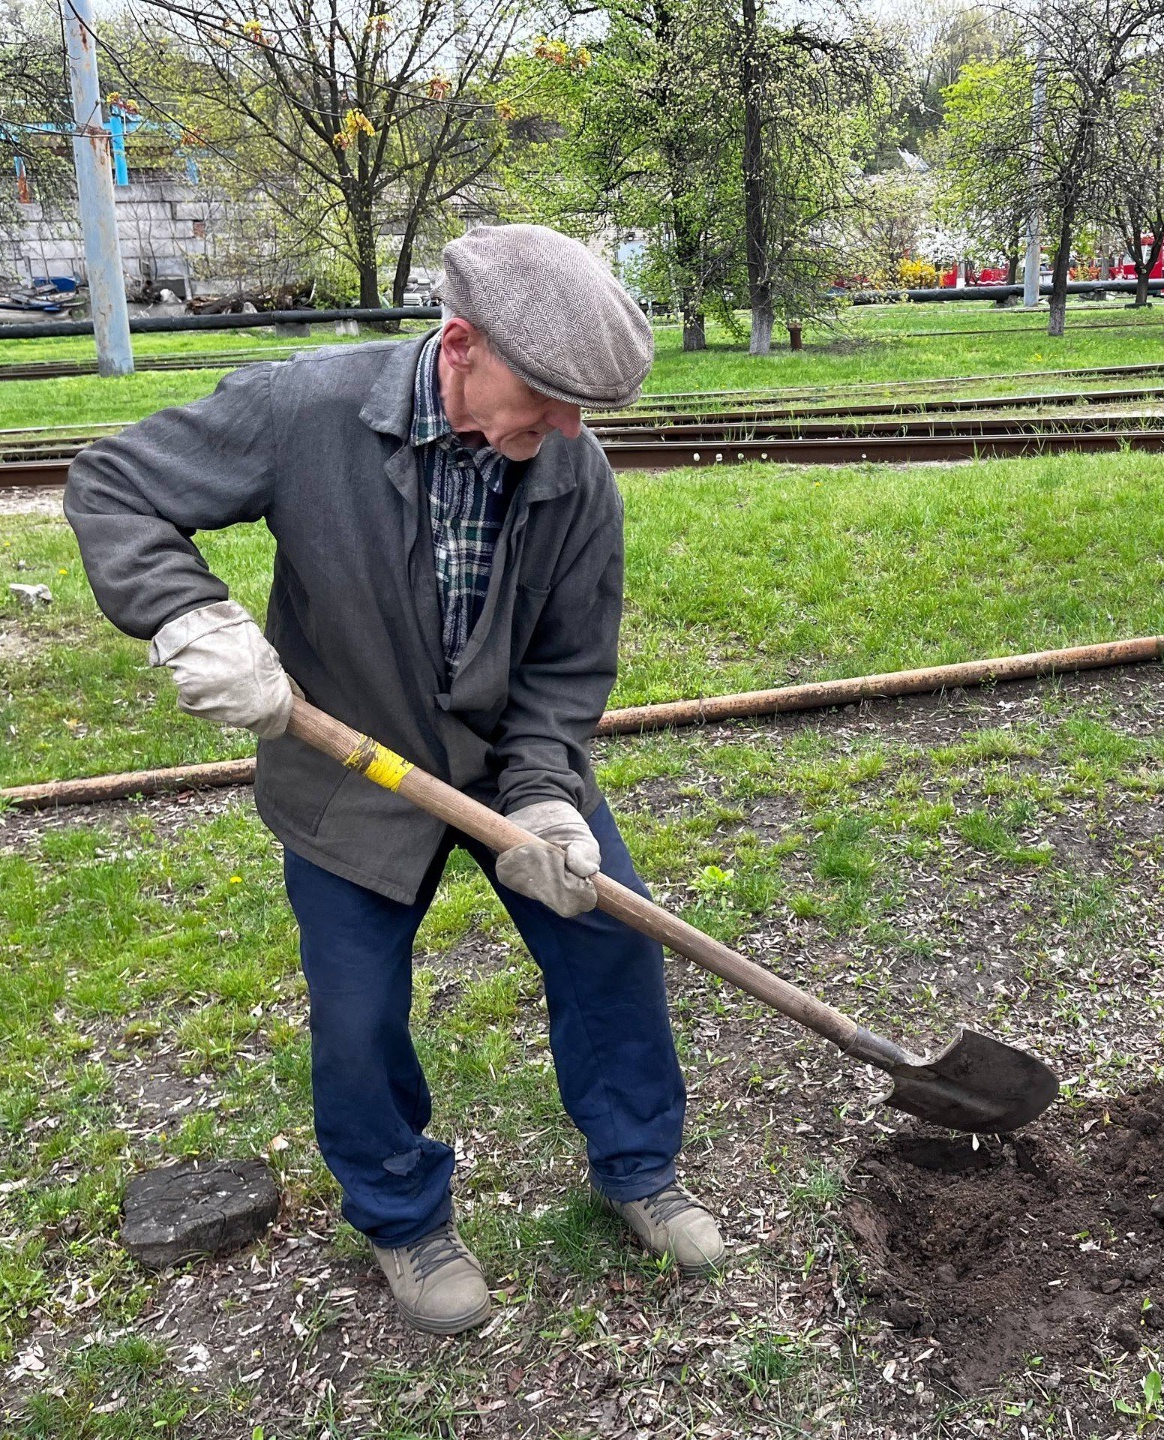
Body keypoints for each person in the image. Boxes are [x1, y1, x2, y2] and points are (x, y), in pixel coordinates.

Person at [66, 225, 723, 1336]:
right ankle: (405, 1221)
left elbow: (566, 668)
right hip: (349, 769)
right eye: (551, 396)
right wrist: (186, 614)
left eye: (582, 408)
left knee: (614, 938)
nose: (567, 429)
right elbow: (114, 484)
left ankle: (638, 1169)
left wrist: (549, 794)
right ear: (459, 345)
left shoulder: (573, 475)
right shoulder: (305, 413)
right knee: (359, 1013)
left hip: (512, 764)